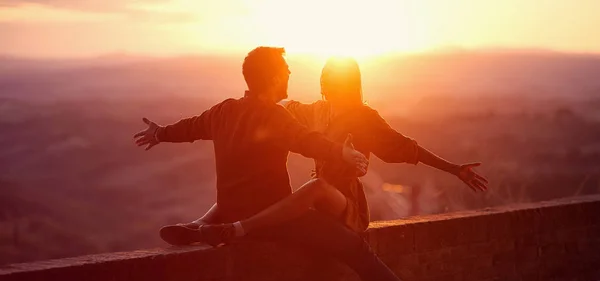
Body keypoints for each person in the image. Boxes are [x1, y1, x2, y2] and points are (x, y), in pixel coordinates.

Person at [134, 46, 469, 281]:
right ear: (276, 77)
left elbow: (192, 126)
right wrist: (341, 151)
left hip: (232, 207)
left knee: (255, 195)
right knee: (353, 246)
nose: (292, 76)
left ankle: (201, 226)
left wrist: (161, 133)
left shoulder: (224, 110)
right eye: (287, 71)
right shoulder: (277, 117)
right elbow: (307, 140)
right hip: (273, 219)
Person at [165, 56, 487, 243]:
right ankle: (198, 228)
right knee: (248, 195)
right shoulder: (317, 111)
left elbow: (409, 149)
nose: (327, 83)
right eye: (326, 78)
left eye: (332, 79)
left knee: (310, 190)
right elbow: (281, 115)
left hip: (346, 206)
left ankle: (223, 229)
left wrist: (454, 169)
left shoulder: (365, 119)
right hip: (318, 204)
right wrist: (247, 107)